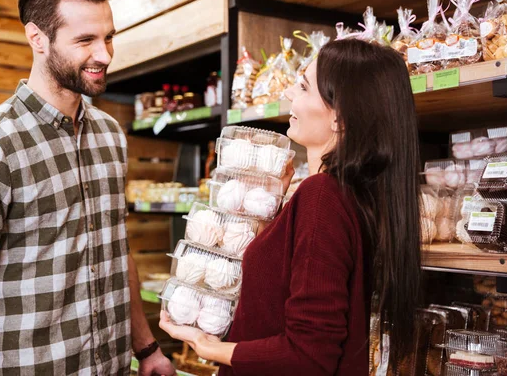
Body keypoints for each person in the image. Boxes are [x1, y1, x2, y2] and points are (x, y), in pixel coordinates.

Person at [0, 0, 176, 375]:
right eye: (85, 40)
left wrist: (146, 349)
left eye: (109, 38)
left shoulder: (109, 135)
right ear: (38, 39)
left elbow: (114, 249)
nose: (105, 54)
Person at [160, 38, 422, 375]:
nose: (288, 95)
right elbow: (284, 287)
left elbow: (309, 355)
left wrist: (211, 347)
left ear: (340, 118)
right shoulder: (341, 193)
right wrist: (276, 213)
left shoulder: (322, 196)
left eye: (302, 86)